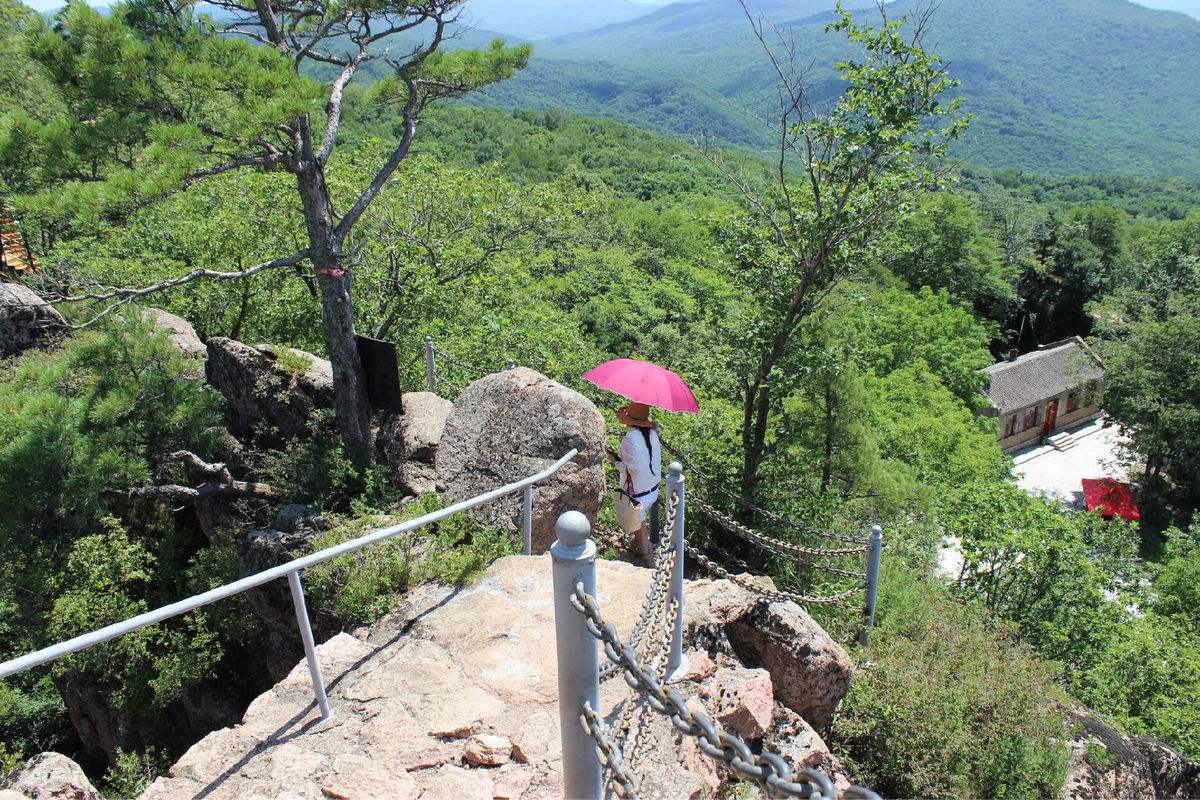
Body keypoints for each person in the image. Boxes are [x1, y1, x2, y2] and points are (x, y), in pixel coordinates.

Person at [607, 402, 662, 565]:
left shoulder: (630, 438)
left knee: (640, 525)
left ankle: (648, 560)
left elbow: (631, 469)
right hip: (654, 490)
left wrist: (614, 461)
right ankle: (637, 545)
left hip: (639, 497)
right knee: (640, 522)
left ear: (629, 420)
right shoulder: (653, 433)